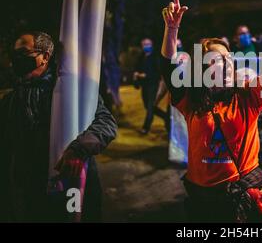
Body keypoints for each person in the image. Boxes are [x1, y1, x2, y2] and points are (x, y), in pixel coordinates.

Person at [160, 0, 262, 222]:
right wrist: (171, 30)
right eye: (218, 60)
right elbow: (168, 67)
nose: (228, 63)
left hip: (241, 196)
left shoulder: (247, 97)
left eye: (229, 58)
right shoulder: (191, 101)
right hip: (201, 198)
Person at [0, 31, 117, 222]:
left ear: (45, 57)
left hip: (73, 183)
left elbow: (106, 123)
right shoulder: (10, 102)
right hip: (32, 191)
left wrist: (78, 149)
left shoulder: (72, 90)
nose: (16, 60)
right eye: (14, 55)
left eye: (23, 53)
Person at [133, 38, 161, 135]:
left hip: (153, 85)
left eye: (148, 44)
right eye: (144, 44)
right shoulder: (141, 57)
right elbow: (137, 68)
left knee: (150, 107)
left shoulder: (155, 57)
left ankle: (146, 127)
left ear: (152, 45)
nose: (146, 46)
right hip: (145, 86)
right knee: (147, 106)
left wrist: (146, 75)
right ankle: (165, 117)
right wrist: (136, 75)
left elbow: (158, 73)